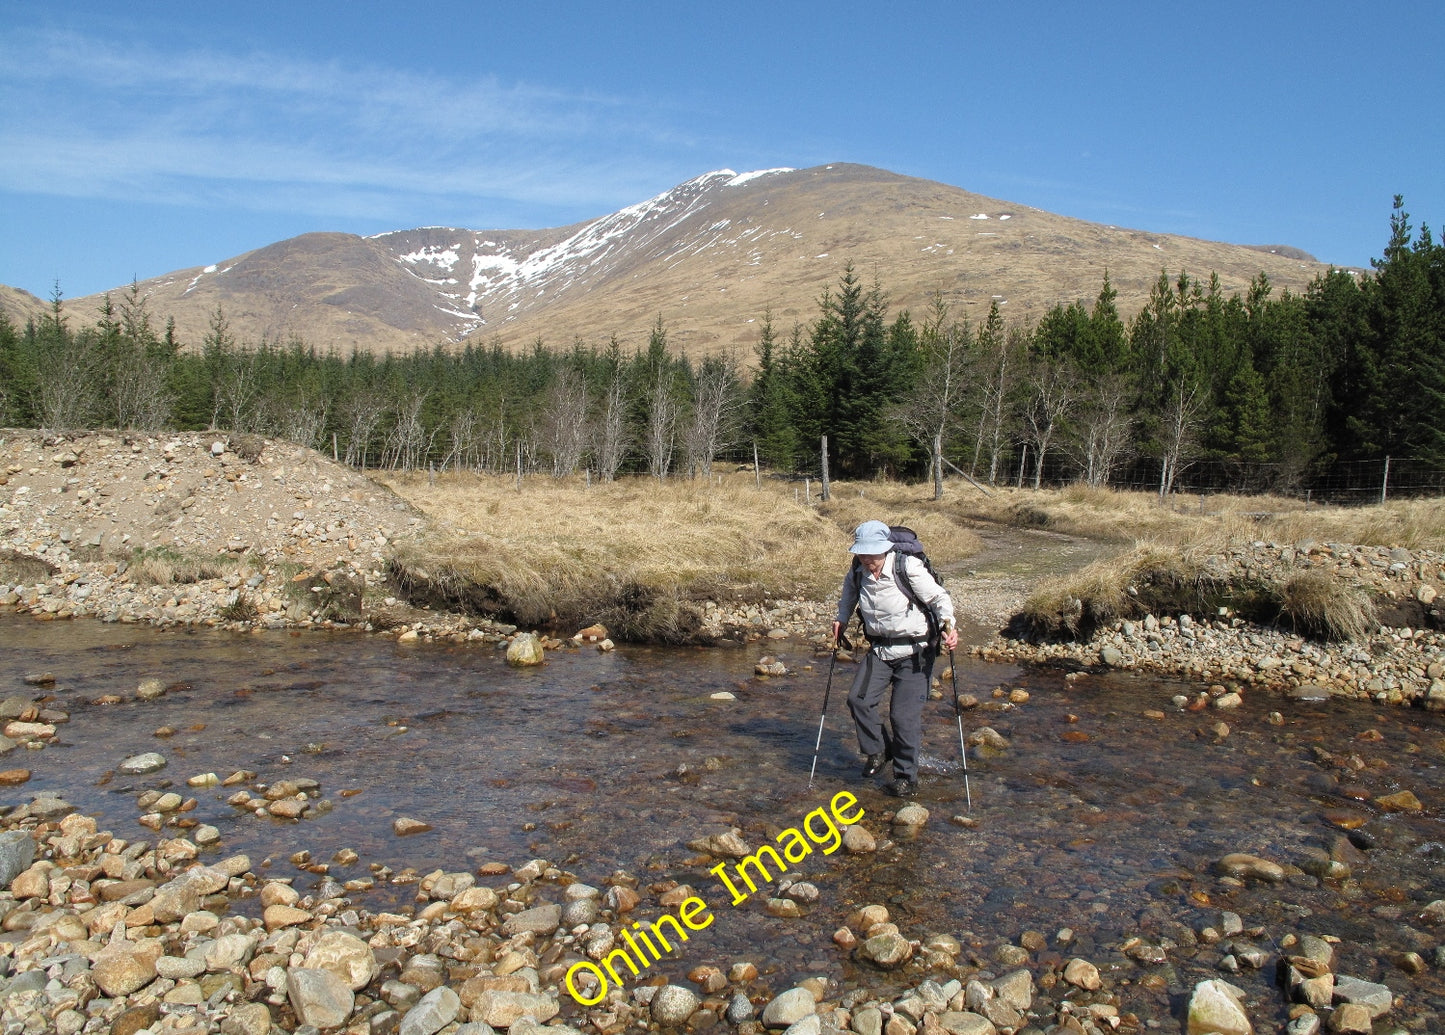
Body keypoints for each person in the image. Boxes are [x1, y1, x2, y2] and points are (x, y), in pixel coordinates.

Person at [832, 520, 958, 797]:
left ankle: (906, 777)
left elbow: (939, 599)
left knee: (903, 717)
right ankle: (879, 750)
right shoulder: (857, 570)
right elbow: (848, 596)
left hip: (916, 652)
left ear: (886, 550)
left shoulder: (907, 567)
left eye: (872, 554)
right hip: (879, 650)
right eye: (862, 554)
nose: (867, 560)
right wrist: (841, 619)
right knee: (858, 700)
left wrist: (949, 624)